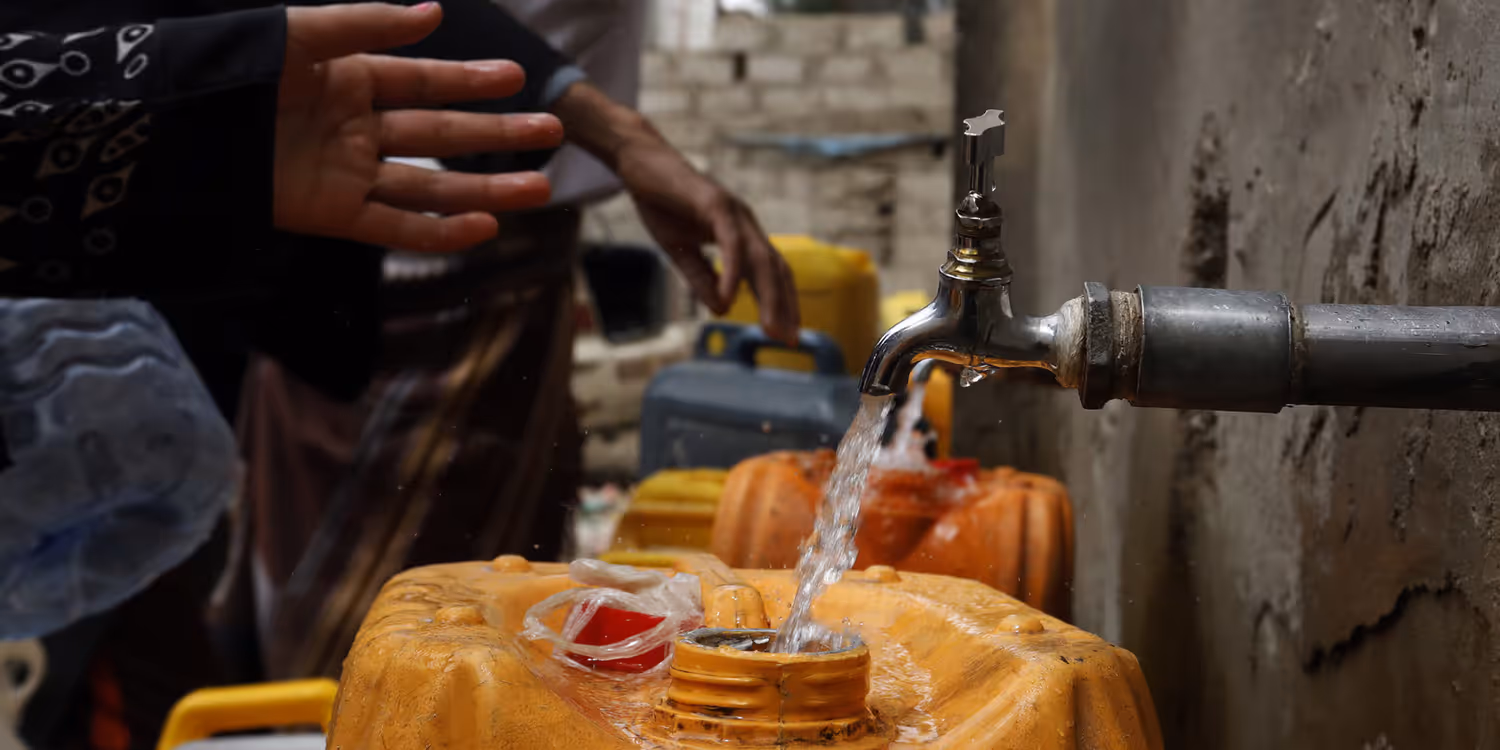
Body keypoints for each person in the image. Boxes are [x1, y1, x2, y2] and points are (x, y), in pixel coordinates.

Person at [231, 0, 801, 683]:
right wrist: (620, 136)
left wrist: (617, 142)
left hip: (518, 252)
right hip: (370, 259)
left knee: (503, 616)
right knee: (374, 634)